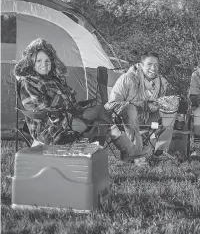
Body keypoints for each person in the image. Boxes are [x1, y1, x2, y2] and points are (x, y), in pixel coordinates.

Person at [14, 38, 145, 161]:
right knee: (100, 109)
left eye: (47, 61)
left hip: (69, 118)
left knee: (100, 122)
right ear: (31, 62)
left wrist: (79, 109)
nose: (44, 64)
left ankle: (93, 160)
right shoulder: (29, 82)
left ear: (52, 62)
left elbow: (69, 103)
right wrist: (72, 114)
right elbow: (39, 110)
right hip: (52, 127)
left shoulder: (54, 79)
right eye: (39, 61)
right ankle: (128, 151)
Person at [105, 52, 177, 161]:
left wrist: (165, 103)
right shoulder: (127, 79)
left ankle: (157, 150)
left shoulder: (161, 82)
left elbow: (163, 104)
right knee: (131, 109)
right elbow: (112, 104)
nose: (153, 68)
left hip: (150, 122)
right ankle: (136, 153)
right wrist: (143, 105)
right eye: (149, 64)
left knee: (169, 110)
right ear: (141, 65)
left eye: (156, 65)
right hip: (127, 120)